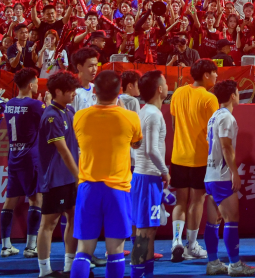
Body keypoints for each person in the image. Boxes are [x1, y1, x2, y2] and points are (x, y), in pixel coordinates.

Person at [68, 71, 142, 278]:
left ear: (95, 91)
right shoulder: (130, 117)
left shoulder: (80, 116)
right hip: (117, 189)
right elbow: (137, 143)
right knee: (116, 251)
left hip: (88, 188)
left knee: (83, 250)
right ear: (119, 91)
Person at [204, 80, 255, 276]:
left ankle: (213, 262)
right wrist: (234, 172)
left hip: (210, 175)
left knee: (213, 222)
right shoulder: (227, 118)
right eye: (237, 92)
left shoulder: (213, 117)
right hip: (222, 177)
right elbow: (226, 146)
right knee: (231, 220)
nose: (239, 95)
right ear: (232, 96)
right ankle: (235, 264)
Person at [169, 59, 220, 262]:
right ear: (206, 75)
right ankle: (191, 245)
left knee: (181, 201)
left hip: (178, 157)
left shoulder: (178, 93)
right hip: (199, 159)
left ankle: (176, 242)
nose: (217, 76)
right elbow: (213, 133)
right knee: (197, 201)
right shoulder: (210, 99)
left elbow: (174, 125)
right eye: (214, 73)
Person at [37, 71, 80, 278]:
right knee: (49, 223)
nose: (74, 93)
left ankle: (69, 266)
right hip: (55, 179)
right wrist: (79, 176)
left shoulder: (69, 110)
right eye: (70, 90)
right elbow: (63, 151)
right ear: (58, 91)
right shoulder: (51, 117)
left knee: (73, 217)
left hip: (71, 178)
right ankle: (44, 271)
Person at [130, 70, 170, 278]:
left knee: (148, 231)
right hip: (148, 179)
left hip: (144, 177)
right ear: (159, 89)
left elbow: (136, 147)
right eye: (166, 82)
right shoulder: (153, 115)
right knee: (144, 233)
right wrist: (164, 172)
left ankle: (147, 274)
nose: (168, 85)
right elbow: (151, 150)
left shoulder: (144, 111)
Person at [1, 68, 44, 258]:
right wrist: (45, 104)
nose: (37, 85)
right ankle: (31, 247)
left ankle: (5, 246)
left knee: (10, 200)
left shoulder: (9, 104)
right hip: (30, 158)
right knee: (36, 199)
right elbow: (48, 123)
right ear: (30, 85)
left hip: (14, 157)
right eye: (36, 82)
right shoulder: (35, 105)